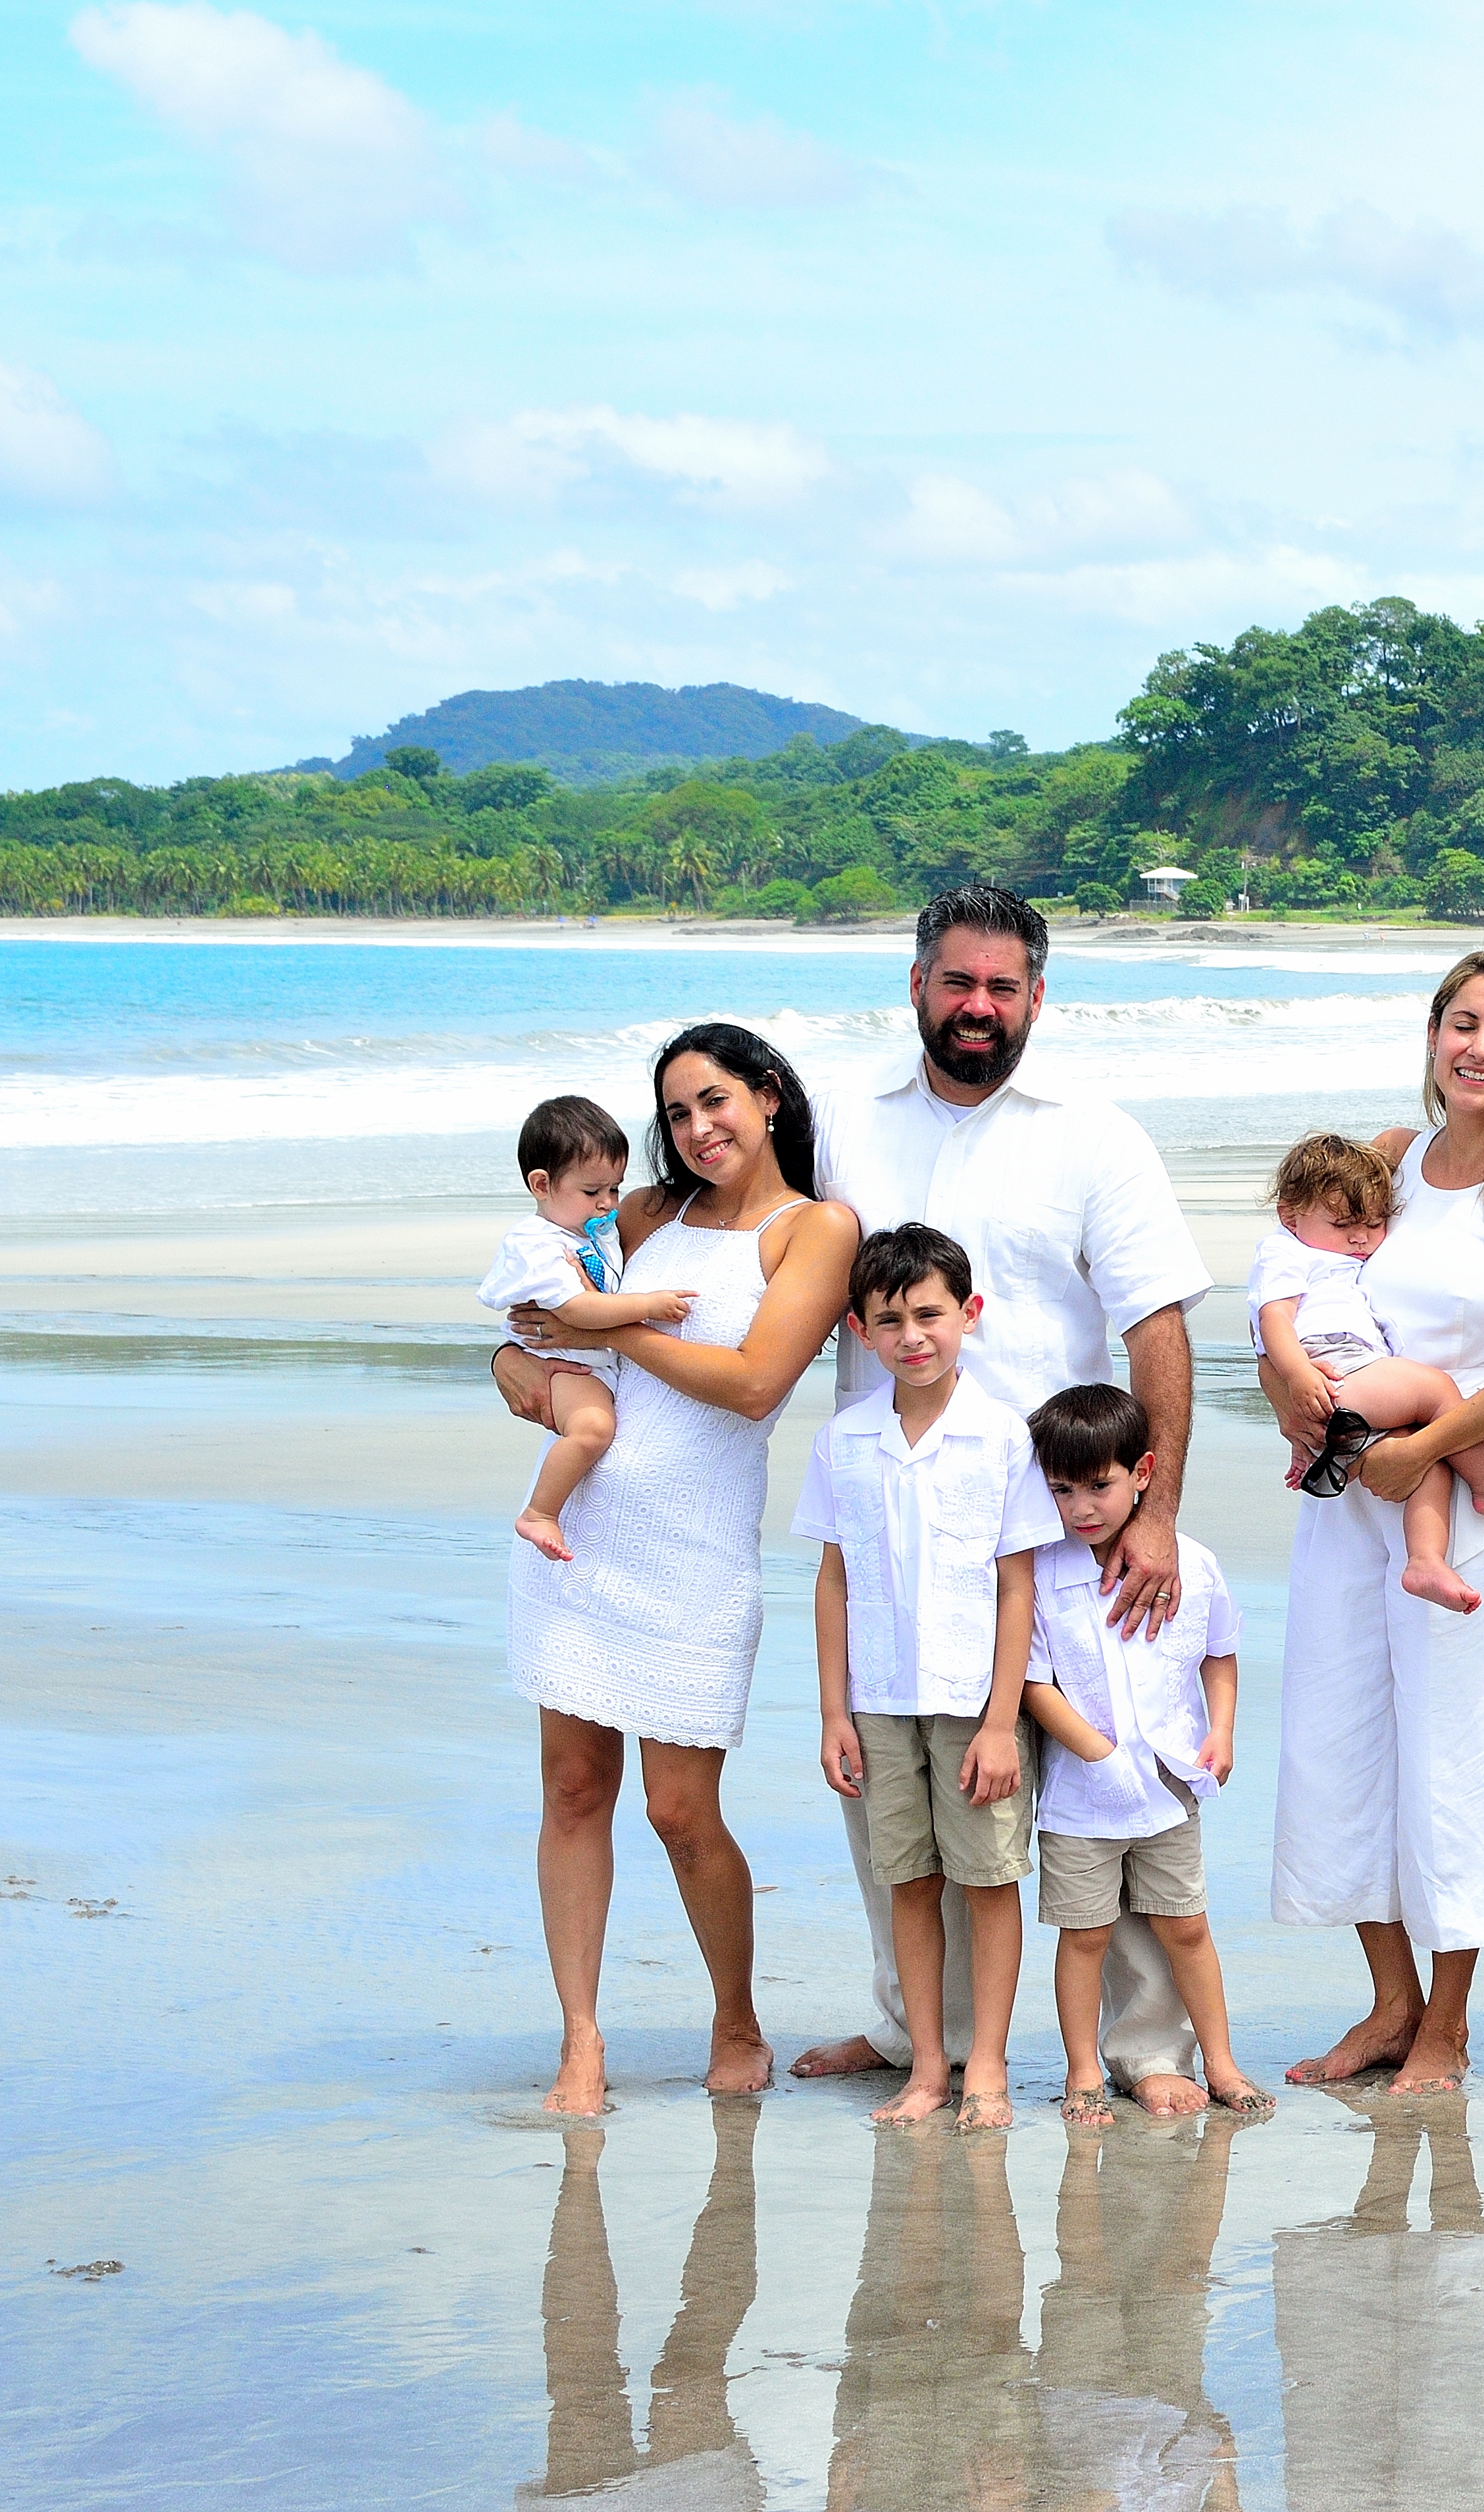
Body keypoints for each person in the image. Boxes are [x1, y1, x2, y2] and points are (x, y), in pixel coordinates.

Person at [500, 887, 1217, 2112]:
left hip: (1060, 1513)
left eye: (1001, 986)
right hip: (887, 1515)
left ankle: (1146, 2049)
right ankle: (911, 2033)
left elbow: (1155, 1326)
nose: (977, 1005)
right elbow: (646, 1249)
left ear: (1038, 996)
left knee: (1110, 1780)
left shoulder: (1098, 1137)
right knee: (900, 1793)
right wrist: (531, 1349)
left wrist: (1150, 1509)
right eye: (956, 982)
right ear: (918, 987)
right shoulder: (850, 1136)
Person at [507, 1022, 859, 2115]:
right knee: (573, 1790)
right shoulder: (644, 1214)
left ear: (765, 1097)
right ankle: (580, 2038)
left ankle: (736, 2014)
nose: (697, 1128)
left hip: (697, 1550)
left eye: (714, 1102)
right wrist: (519, 1361)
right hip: (584, 1529)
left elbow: (756, 1385)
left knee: (677, 1809)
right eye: (675, 1113)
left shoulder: (818, 1229)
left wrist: (614, 1328)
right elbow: (533, 1326)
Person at [1270, 943, 1484, 2095]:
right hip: (1354, 1492)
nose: (1480, 1048)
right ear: (1431, 1033)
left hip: (1469, 1496)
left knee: (1457, 1758)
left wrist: (1426, 1447)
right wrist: (1292, 1396)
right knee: (1340, 1741)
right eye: (1463, 1022)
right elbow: (1304, 1288)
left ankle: (1448, 2026)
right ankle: (1389, 2003)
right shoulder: (1390, 1162)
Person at [797, 1222, 1054, 2131]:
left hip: (970, 1706)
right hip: (877, 1705)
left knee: (987, 1882)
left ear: (969, 1315)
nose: (913, 1336)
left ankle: (986, 2063)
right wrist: (834, 1713)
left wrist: (998, 1722)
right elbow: (833, 1583)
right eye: (890, 1320)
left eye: (930, 1315)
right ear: (861, 1333)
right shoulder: (844, 1441)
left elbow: (1017, 1586)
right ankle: (929, 2068)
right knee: (905, 1881)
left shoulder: (1001, 1438)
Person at [1023, 1382, 1270, 2126]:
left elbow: (1219, 1654)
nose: (1082, 1508)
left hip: (1171, 1782)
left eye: (1099, 1485)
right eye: (1062, 1491)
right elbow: (1034, 1683)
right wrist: (1096, 1752)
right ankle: (1082, 2070)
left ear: (1144, 1471)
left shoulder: (1191, 1563)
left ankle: (1220, 2059)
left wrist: (1221, 1731)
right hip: (1080, 1796)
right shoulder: (1042, 1572)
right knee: (1086, 1934)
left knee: (1187, 1924)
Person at [1249, 1128, 1484, 1612]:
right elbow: (1273, 1321)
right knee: (1434, 1389)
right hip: (1334, 1367)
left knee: (1426, 1458)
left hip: (1349, 1379)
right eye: (1345, 1223)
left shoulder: (1335, 1255)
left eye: (1373, 1224)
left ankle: (1425, 1560)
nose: (1360, 1237)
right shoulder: (1286, 1253)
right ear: (1289, 1214)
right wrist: (1297, 1377)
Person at [478, 1095, 692, 1563]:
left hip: (588, 1365)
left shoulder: (589, 1232)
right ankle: (539, 1512)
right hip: (560, 1367)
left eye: (615, 1189)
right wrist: (647, 1306)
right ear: (542, 1184)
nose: (608, 1204)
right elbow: (575, 1311)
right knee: (593, 1429)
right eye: (593, 1191)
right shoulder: (535, 1243)